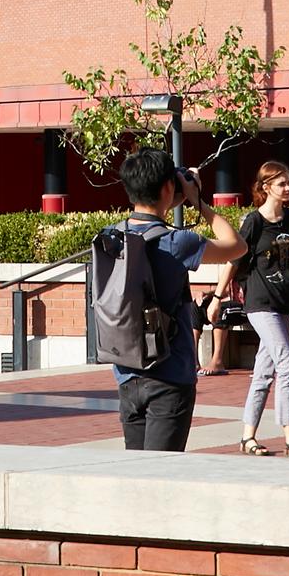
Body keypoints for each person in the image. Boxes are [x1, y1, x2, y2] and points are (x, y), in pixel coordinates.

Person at [87, 146, 205, 451]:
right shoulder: (177, 242)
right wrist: (197, 201)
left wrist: (167, 196)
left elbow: (148, 218)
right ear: (168, 188)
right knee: (161, 471)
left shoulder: (111, 237)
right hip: (171, 376)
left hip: (126, 373)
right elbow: (237, 245)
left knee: (136, 469)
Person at [225, 158, 289, 457]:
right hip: (261, 304)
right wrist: (216, 297)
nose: (287, 188)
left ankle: (247, 437)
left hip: (286, 303)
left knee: (264, 372)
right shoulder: (254, 222)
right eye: (281, 183)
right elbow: (234, 260)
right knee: (287, 366)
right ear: (266, 187)